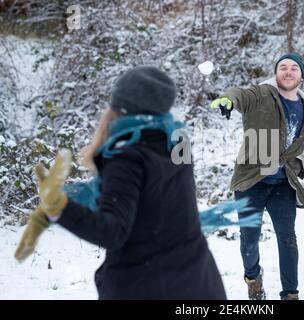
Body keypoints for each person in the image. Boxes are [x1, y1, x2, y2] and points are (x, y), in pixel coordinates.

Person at [15, 66, 227, 300]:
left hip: (146, 286)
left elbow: (112, 231)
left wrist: (60, 207)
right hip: (198, 283)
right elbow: (148, 199)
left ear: (119, 105)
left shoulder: (127, 156)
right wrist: (68, 199)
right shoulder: (176, 144)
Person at [210, 53, 304, 300]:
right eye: (283, 67)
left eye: (294, 68)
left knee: (288, 239)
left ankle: (290, 294)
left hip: (283, 183)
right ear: (276, 73)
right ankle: (253, 278)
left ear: (302, 76)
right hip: (251, 180)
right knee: (249, 240)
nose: (288, 71)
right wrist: (228, 100)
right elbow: (239, 94)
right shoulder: (261, 94)